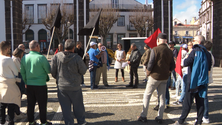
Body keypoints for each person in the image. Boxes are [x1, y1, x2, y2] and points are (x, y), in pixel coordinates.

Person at [173, 35, 212, 125]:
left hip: (192, 81)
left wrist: (188, 55)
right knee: (200, 102)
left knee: (187, 102)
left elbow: (186, 63)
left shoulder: (194, 51)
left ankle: (180, 121)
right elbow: (209, 68)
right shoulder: (208, 53)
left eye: (194, 40)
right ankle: (199, 121)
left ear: (198, 42)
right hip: (202, 81)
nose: (193, 42)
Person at [137, 33, 175, 124]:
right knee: (162, 97)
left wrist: (148, 73)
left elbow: (151, 63)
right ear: (165, 41)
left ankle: (143, 115)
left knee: (147, 95)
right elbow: (173, 65)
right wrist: (169, 71)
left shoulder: (155, 49)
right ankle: (160, 117)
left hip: (154, 76)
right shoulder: (170, 51)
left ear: (158, 40)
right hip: (165, 77)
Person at [51, 39, 87, 125]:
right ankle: (81, 122)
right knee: (78, 106)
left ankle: (69, 122)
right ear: (73, 48)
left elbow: (52, 71)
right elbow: (83, 71)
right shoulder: (77, 58)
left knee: (65, 107)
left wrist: (58, 77)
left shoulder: (56, 57)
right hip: (75, 85)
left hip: (62, 85)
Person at [20, 40, 52, 125]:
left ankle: (31, 121)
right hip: (40, 84)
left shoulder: (24, 57)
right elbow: (48, 70)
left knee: (30, 104)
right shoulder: (41, 58)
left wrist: (26, 81)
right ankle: (43, 122)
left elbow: (22, 71)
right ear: (37, 47)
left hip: (29, 84)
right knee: (42, 104)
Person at [0, 41, 21, 125]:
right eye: (9, 49)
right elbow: (16, 72)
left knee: (2, 104)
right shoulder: (8, 59)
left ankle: (1, 121)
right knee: (11, 103)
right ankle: (10, 121)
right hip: (9, 84)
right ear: (6, 49)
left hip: (1, 83)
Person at [12, 48, 27, 120]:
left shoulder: (16, 59)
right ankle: (16, 112)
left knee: (19, 96)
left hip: (18, 78)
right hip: (17, 79)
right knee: (18, 96)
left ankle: (17, 111)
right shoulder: (15, 59)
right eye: (22, 54)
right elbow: (20, 69)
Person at [201, 41, 214, 123]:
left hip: (205, 79)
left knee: (204, 97)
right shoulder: (210, 55)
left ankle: (205, 116)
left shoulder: (208, 55)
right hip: (207, 78)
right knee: (203, 97)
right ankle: (203, 115)